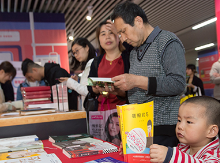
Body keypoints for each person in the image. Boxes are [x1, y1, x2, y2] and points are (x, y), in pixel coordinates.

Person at [111, 1, 186, 147]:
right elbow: (139, 93)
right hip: (138, 128)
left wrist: (137, 81)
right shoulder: (133, 52)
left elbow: (177, 84)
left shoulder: (167, 41)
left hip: (162, 131)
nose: (123, 38)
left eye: (123, 31)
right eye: (119, 34)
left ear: (138, 21)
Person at [150, 96, 220, 162]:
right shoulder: (182, 147)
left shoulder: (215, 156)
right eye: (179, 120)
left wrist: (171, 156)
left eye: (189, 122)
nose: (180, 126)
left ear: (211, 131)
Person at [87, 20, 131, 111]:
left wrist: (118, 92)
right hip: (101, 114)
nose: (107, 37)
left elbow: (134, 89)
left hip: (125, 113)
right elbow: (90, 87)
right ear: (99, 40)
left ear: (118, 36)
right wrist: (98, 90)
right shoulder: (95, 62)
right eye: (103, 34)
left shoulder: (129, 58)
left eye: (111, 33)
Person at [59, 38, 96, 110]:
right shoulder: (88, 65)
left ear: (87, 47)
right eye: (74, 53)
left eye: (77, 51)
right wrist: (77, 82)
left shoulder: (92, 63)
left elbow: (88, 91)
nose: (76, 55)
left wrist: (71, 82)